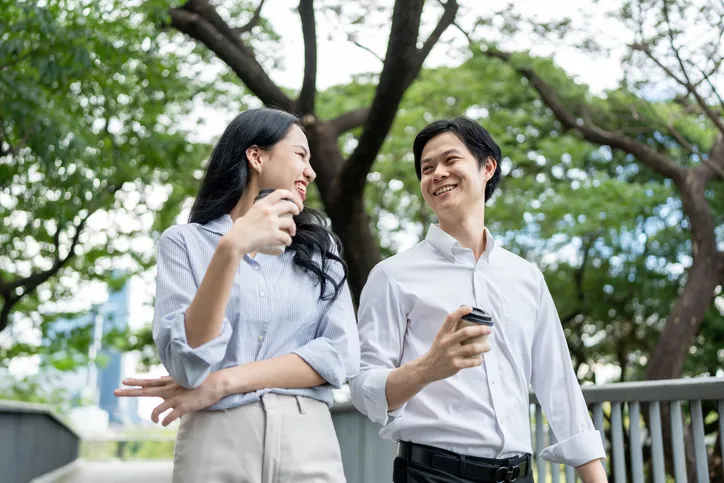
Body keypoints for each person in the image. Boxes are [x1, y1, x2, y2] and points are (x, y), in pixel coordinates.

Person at [349, 117, 608, 483]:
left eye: (450, 160)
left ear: (487, 167)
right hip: (432, 475)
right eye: (426, 168)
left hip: (519, 475)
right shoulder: (392, 276)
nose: (437, 173)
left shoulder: (526, 277)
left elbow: (558, 382)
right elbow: (363, 389)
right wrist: (428, 368)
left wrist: (595, 477)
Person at [114, 108, 360, 483]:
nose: (310, 171)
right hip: (216, 440)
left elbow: (340, 356)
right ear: (256, 156)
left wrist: (223, 382)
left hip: (307, 437)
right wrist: (231, 249)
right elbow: (188, 363)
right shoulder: (185, 243)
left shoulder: (320, 249)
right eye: (300, 154)